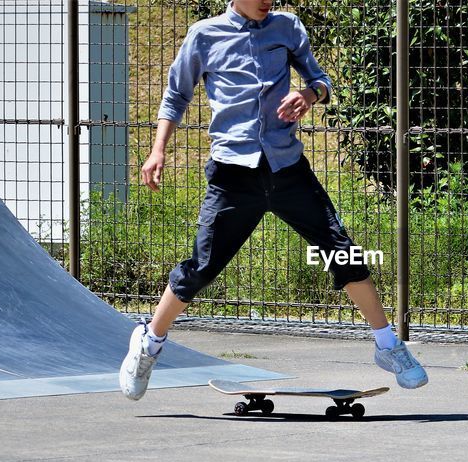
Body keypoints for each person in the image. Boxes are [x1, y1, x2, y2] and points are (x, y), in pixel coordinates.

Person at [119, 0, 426, 400]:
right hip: (233, 175)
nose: (270, 1)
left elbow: (322, 79)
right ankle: (149, 342)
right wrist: (158, 149)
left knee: (343, 253)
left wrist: (309, 94)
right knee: (202, 267)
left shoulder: (287, 27)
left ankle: (388, 346)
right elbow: (176, 96)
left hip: (287, 170)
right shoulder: (204, 35)